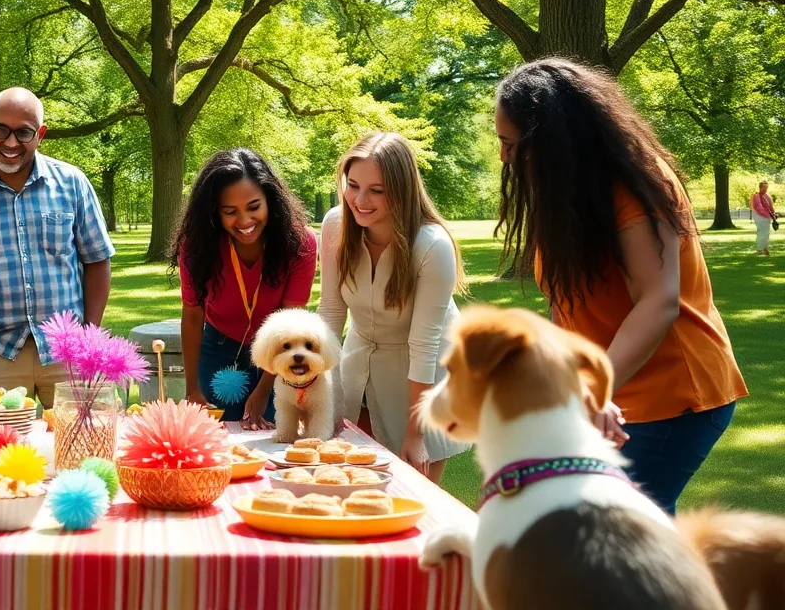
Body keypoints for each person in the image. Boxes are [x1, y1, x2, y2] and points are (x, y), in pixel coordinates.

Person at [494, 58, 747, 514]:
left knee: (620, 531)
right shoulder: (566, 191)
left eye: (512, 145)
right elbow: (566, 305)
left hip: (672, 395)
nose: (503, 158)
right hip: (611, 392)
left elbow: (659, 300)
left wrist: (594, 389)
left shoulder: (635, 184)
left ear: (557, 142)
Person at [0, 87, 115, 409]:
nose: (10, 143)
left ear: (41, 135)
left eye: (23, 132)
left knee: (84, 451)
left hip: (69, 352)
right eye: (0, 130)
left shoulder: (72, 183)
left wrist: (89, 337)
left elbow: (97, 260)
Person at [317, 133, 470, 484]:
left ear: (401, 189)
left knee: (412, 494)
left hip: (425, 379)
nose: (360, 200)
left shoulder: (432, 246)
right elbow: (330, 313)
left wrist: (416, 434)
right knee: (346, 486)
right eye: (352, 185)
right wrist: (314, 387)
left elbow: (425, 345)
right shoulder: (335, 225)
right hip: (359, 366)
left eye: (377, 190)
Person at [170, 148, 317, 430]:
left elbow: (290, 324)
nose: (245, 221)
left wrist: (263, 390)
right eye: (230, 212)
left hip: (280, 350)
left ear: (270, 201)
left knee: (274, 436)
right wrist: (192, 389)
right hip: (218, 347)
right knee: (217, 439)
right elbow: (191, 315)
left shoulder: (300, 243)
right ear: (214, 211)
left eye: (253, 207)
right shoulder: (195, 247)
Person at [751, 181, 776, 256]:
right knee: (762, 231)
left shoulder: (767, 196)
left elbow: (771, 206)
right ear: (760, 187)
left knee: (766, 232)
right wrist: (765, 214)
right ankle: (760, 248)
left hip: (767, 215)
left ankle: (765, 248)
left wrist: (773, 214)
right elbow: (757, 207)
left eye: (766, 188)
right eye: (764, 187)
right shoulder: (756, 196)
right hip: (759, 215)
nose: (765, 189)